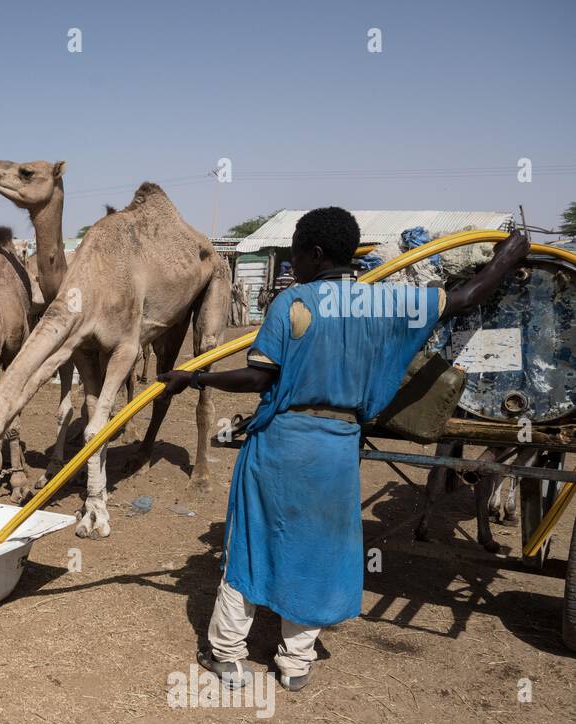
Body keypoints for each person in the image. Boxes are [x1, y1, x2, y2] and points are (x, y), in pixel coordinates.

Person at [158, 207, 529, 691]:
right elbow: (465, 297)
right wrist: (508, 257)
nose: (292, 264)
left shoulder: (292, 304)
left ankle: (227, 656)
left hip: (282, 445)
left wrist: (196, 377)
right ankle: (295, 662)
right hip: (336, 451)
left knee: (251, 545)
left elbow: (259, 376)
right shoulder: (387, 304)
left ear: (314, 253)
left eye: (294, 253)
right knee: (319, 551)